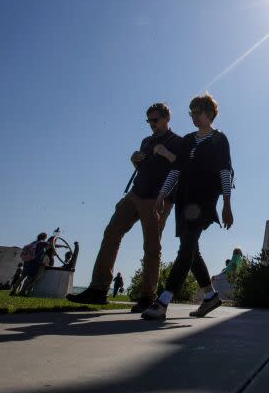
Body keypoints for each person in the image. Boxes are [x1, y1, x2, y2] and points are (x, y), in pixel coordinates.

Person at [68, 103, 183, 313]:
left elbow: (182, 169)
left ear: (167, 118)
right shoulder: (146, 141)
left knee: (151, 246)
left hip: (158, 198)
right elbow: (146, 169)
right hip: (135, 193)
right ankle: (98, 290)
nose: (151, 124)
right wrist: (135, 161)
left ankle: (148, 297)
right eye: (148, 120)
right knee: (111, 233)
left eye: (155, 120)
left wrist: (167, 153)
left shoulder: (177, 142)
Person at [142, 93, 234, 321]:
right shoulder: (187, 140)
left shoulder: (219, 140)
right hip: (184, 199)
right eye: (191, 113)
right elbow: (176, 169)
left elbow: (225, 171)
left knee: (186, 249)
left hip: (204, 201)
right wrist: (163, 193)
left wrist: (226, 203)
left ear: (210, 114)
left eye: (198, 113)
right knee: (191, 250)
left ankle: (162, 301)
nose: (194, 117)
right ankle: (210, 296)